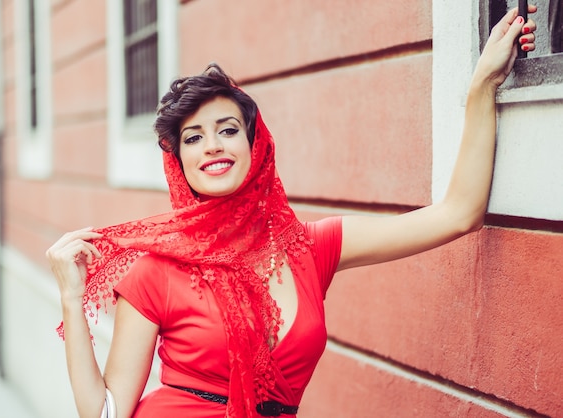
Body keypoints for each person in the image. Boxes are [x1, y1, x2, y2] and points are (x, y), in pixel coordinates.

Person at [46, 6, 538, 418]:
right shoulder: (157, 269)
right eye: (193, 138)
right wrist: (71, 296)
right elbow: (105, 411)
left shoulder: (312, 248)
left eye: (227, 129)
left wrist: (481, 88)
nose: (212, 146)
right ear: (180, 164)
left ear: (256, 144)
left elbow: (456, 215)